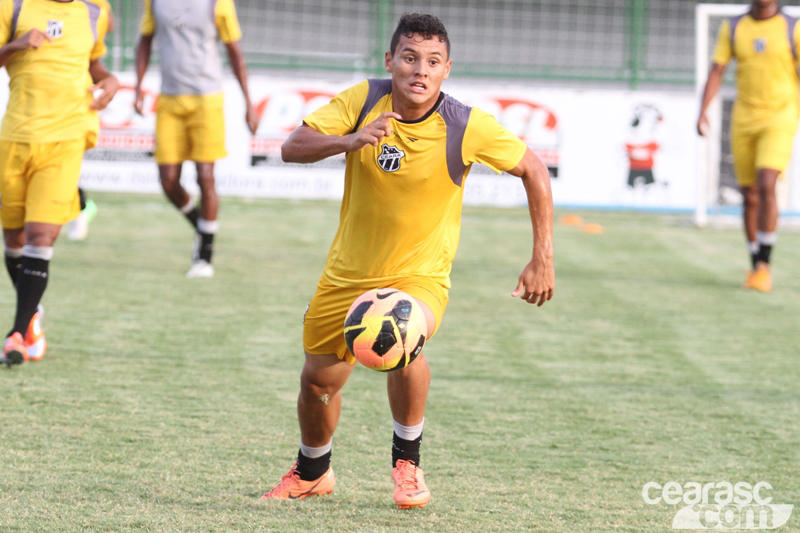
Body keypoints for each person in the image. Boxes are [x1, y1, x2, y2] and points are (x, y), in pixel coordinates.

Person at [260, 13, 555, 509]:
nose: (421, 69)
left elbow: (533, 168)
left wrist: (541, 257)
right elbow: (293, 147)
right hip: (347, 274)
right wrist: (348, 141)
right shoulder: (361, 100)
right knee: (317, 382)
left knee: (403, 341)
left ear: (447, 69)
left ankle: (408, 466)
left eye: (433, 61)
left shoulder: (464, 124)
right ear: (390, 61)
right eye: (410, 57)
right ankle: (313, 470)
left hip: (420, 275)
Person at [0, 0, 118, 366]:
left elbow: (92, 61)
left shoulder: (97, 10)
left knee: (41, 236)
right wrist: (16, 45)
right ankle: (32, 315)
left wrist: (109, 80)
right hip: (17, 138)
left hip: (67, 137)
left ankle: (16, 334)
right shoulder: (13, 6)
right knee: (14, 238)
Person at [133, 0, 259, 278]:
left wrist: (249, 103)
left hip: (207, 100)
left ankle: (205, 256)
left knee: (205, 176)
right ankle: (201, 227)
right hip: (169, 99)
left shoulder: (218, 3)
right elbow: (144, 41)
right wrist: (139, 87)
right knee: (167, 180)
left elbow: (234, 51)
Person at [697, 0, 800, 292]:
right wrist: (703, 109)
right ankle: (756, 261)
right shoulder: (734, 26)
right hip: (743, 119)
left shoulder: (793, 27)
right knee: (750, 193)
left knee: (767, 182)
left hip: (781, 116)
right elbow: (718, 70)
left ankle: (764, 265)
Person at [67, 0, 115, 242]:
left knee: (63, 160)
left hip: (76, 97)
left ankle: (82, 207)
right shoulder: (26, 8)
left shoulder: (93, 6)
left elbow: (110, 22)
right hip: (39, 95)